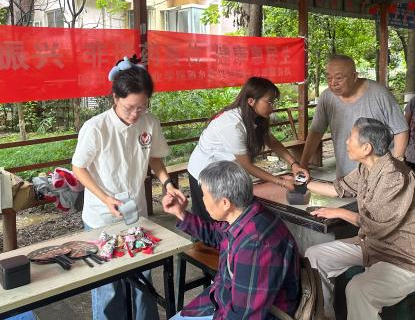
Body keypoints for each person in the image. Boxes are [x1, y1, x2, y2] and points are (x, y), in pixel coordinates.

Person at [72, 58, 182, 320]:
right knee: (108, 285)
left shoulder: (149, 122)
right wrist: (105, 198)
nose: (135, 114)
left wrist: (167, 184)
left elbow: (155, 159)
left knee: (143, 277)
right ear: (115, 98)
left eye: (141, 107)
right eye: (129, 107)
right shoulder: (96, 127)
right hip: (102, 216)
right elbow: (79, 167)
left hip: (136, 213)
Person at [304, 117, 415, 319]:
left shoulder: (394, 176)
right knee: (314, 256)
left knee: (358, 289)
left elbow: (376, 227)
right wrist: (303, 183)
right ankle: (324, 316)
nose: (346, 141)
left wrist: (340, 213)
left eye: (351, 137)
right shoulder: (366, 168)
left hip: (402, 257)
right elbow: (340, 188)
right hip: (371, 245)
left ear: (366, 148)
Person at [163, 160, 301, 319]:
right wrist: (180, 213)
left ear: (225, 203)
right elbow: (216, 235)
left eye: (205, 195)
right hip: (222, 300)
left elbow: (244, 315)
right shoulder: (245, 213)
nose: (203, 199)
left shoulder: (255, 244)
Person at [186, 77, 311, 222]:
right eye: (270, 102)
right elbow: (247, 166)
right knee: (210, 219)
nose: (273, 107)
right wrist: (281, 182)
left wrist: (294, 164)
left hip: (225, 170)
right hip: (203, 171)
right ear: (251, 101)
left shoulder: (255, 117)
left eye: (274, 102)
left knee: (229, 214)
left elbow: (271, 141)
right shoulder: (232, 125)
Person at [299, 55, 406, 178]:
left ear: (354, 76)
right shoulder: (327, 97)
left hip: (380, 174)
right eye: (328, 77)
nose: (333, 83)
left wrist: (396, 165)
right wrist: (304, 163)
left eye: (339, 78)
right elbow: (316, 132)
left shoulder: (380, 94)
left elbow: (401, 130)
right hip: (345, 174)